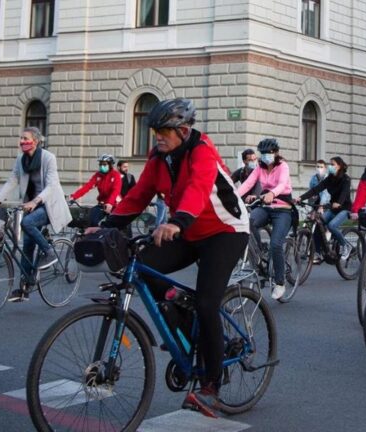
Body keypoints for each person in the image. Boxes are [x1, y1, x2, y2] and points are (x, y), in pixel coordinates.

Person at [90, 98, 249, 418]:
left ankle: (211, 387)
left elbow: (198, 188)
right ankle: (183, 311)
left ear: (183, 130)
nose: (157, 137)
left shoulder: (202, 150)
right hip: (187, 232)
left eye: (164, 131)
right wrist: (106, 225)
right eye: (155, 131)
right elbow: (140, 194)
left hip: (225, 231)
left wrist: (177, 221)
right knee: (142, 266)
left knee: (207, 303)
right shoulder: (159, 158)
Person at [0, 127, 71, 302]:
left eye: (25, 138)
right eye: (21, 138)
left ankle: (49, 252)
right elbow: (12, 180)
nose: (22, 141)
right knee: (27, 246)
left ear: (35, 142)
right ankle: (25, 287)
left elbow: (52, 185)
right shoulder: (20, 159)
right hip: (30, 204)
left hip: (48, 204)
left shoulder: (48, 158)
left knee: (27, 223)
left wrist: (35, 201)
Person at [238, 138, 293, 300]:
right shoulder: (259, 168)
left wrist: (272, 193)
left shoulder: (283, 166)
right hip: (265, 207)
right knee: (247, 223)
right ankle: (258, 253)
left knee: (276, 244)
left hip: (282, 209)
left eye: (269, 153)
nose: (266, 156)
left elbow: (282, 184)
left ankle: (280, 282)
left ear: (275, 153)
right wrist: (234, 197)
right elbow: (247, 184)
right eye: (263, 154)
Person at [298, 156, 352, 258]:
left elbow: (344, 194)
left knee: (331, 226)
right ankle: (318, 252)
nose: (330, 166)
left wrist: (339, 202)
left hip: (344, 208)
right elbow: (316, 189)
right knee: (319, 223)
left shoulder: (346, 179)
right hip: (333, 208)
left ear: (339, 166)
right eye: (330, 164)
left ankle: (345, 246)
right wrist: (301, 198)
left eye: (333, 164)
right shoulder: (330, 178)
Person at [70, 154, 122, 226]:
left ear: (110, 165)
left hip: (114, 204)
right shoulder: (98, 175)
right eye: (100, 164)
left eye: (104, 164)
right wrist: (74, 197)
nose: (102, 166)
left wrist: (110, 203)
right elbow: (87, 186)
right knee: (91, 221)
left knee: (113, 226)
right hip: (102, 204)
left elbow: (116, 190)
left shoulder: (115, 175)